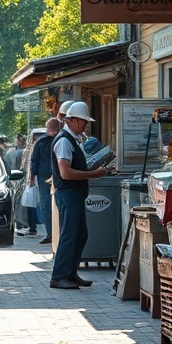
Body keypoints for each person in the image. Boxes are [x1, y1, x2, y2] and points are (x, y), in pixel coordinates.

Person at [50, 102, 114, 289]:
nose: (85, 125)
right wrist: (93, 174)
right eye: (82, 121)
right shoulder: (64, 141)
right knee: (70, 235)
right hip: (68, 194)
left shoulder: (72, 140)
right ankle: (59, 275)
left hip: (74, 194)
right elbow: (66, 173)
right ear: (70, 120)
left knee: (80, 235)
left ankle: (70, 272)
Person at [29, 118, 61, 245]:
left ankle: (52, 234)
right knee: (49, 206)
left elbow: (34, 161)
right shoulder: (56, 140)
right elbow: (34, 161)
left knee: (49, 206)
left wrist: (32, 177)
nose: (49, 130)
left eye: (51, 128)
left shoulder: (45, 141)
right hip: (48, 178)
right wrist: (32, 177)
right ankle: (51, 233)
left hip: (52, 177)